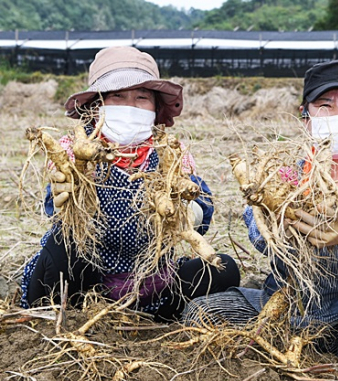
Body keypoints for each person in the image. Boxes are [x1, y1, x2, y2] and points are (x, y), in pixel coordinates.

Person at [183, 60, 338, 366]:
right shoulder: (280, 180)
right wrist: (274, 220)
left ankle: (332, 353)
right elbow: (257, 231)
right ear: (306, 117)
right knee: (201, 313)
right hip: (284, 301)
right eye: (325, 105)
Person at [21, 46, 240, 321]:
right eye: (118, 96)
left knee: (223, 269)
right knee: (62, 243)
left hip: (153, 282)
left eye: (141, 97)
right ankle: (65, 318)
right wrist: (64, 202)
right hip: (86, 282)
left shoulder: (171, 151)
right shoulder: (74, 148)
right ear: (96, 105)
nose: (130, 106)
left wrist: (189, 210)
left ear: (156, 107)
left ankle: (154, 319)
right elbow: (53, 205)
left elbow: (201, 207)